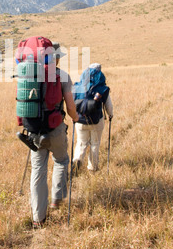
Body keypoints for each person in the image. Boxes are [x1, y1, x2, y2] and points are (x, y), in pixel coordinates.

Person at [28, 42, 79, 228]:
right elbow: (71, 107)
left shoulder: (32, 76)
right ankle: (57, 199)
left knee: (38, 170)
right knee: (61, 160)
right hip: (56, 129)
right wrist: (76, 117)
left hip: (34, 131)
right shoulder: (63, 76)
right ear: (55, 59)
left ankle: (37, 218)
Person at [73, 63, 113, 174]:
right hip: (96, 121)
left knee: (81, 143)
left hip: (80, 120)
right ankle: (92, 168)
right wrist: (110, 115)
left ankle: (77, 161)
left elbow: (72, 102)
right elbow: (108, 106)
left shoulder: (78, 86)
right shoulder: (102, 88)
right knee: (95, 144)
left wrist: (73, 116)